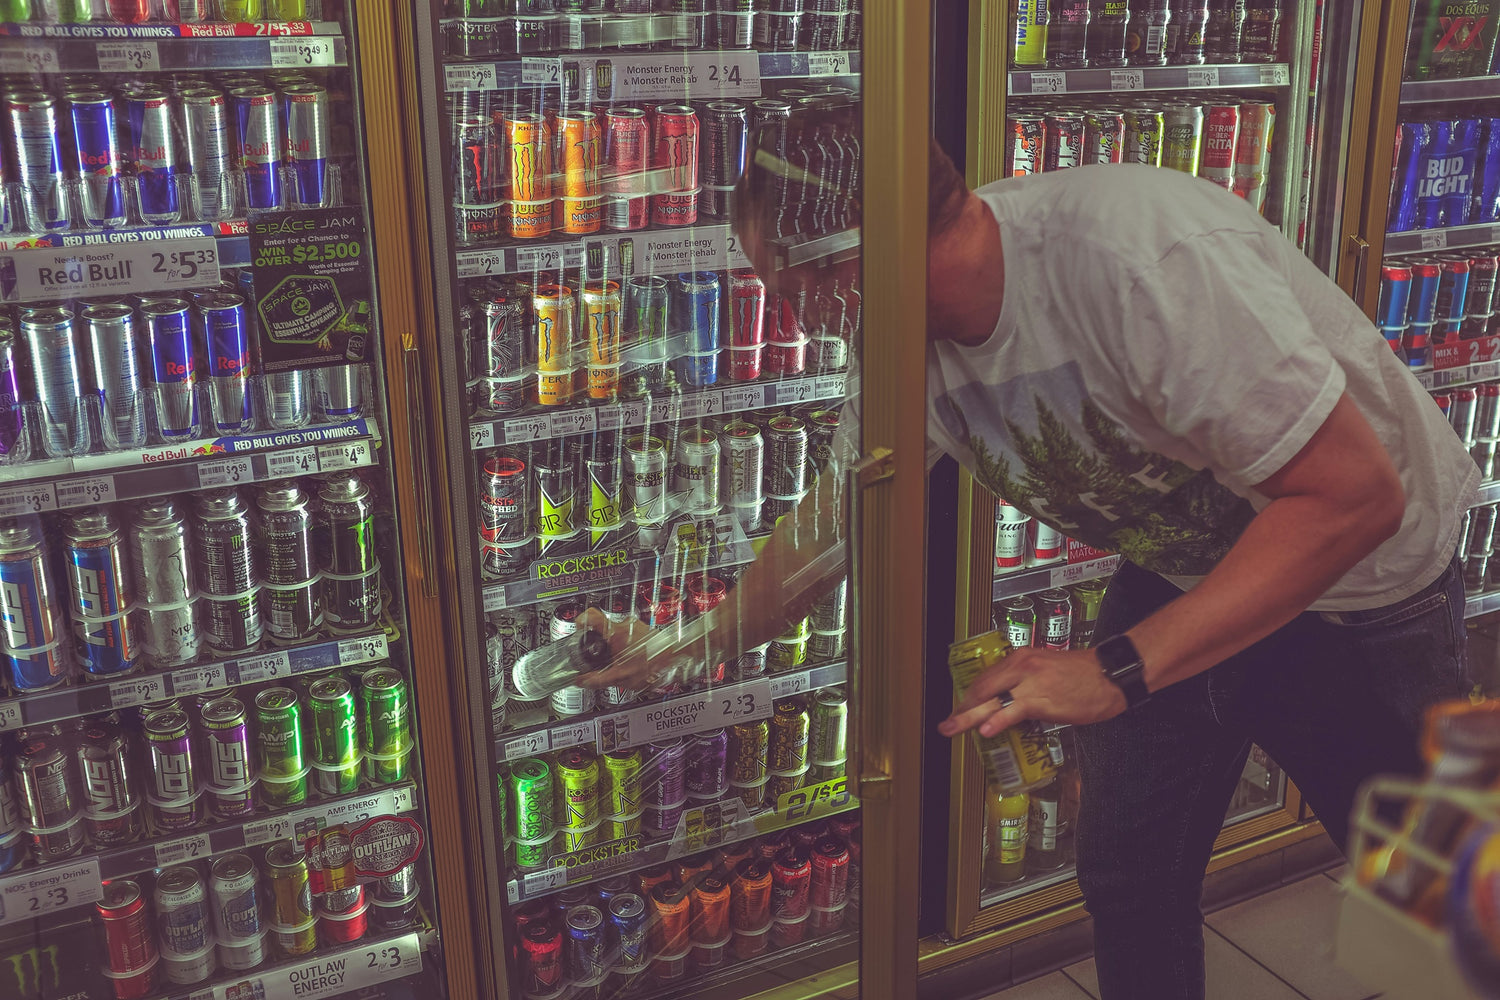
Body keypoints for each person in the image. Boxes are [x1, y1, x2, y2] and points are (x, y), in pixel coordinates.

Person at [579, 137, 1477, 1000]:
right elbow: (832, 531)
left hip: (1361, 588)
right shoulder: (900, 338)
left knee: (1424, 896)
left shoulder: (1137, 263)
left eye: (789, 287)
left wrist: (1115, 670)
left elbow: (1356, 499)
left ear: (846, 262)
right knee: (1129, 872)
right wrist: (677, 648)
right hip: (1181, 571)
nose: (789, 317)